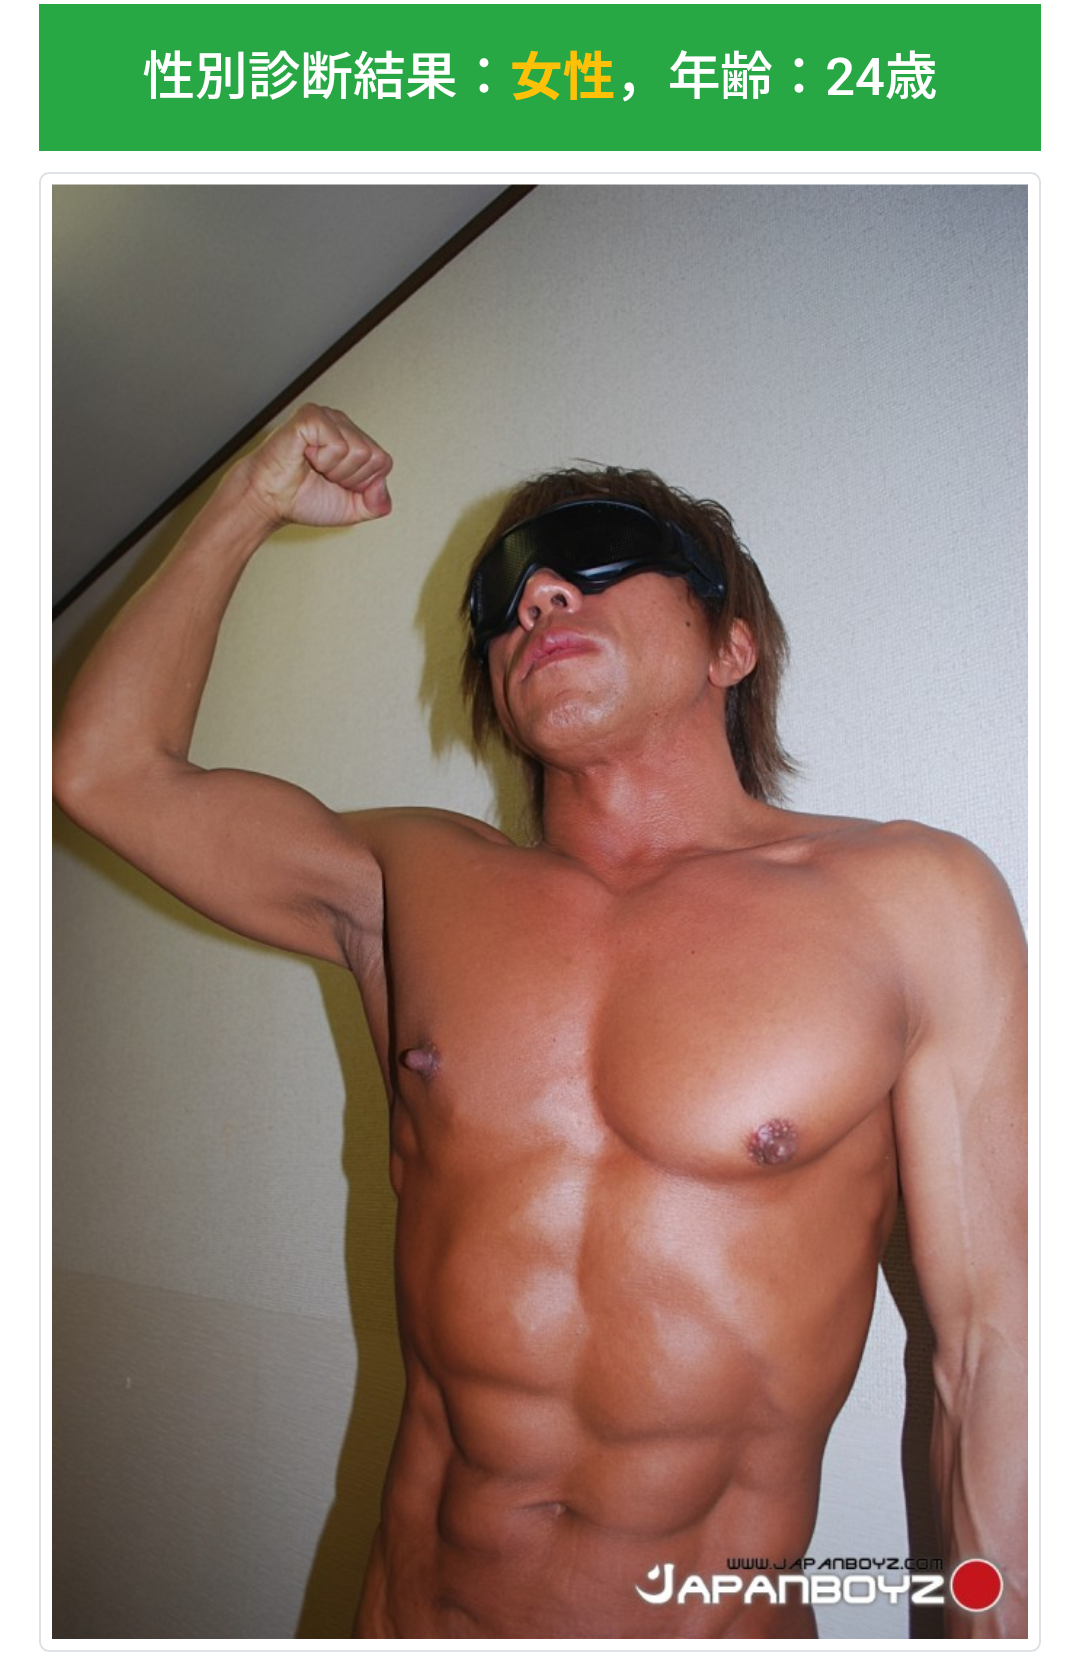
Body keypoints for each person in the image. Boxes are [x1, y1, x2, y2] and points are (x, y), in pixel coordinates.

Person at [53, 404, 1027, 1639]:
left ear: (732, 643)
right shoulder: (410, 880)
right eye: (502, 597)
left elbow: (998, 1348)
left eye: (600, 556)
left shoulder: (912, 900)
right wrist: (248, 497)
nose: (538, 597)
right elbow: (106, 771)